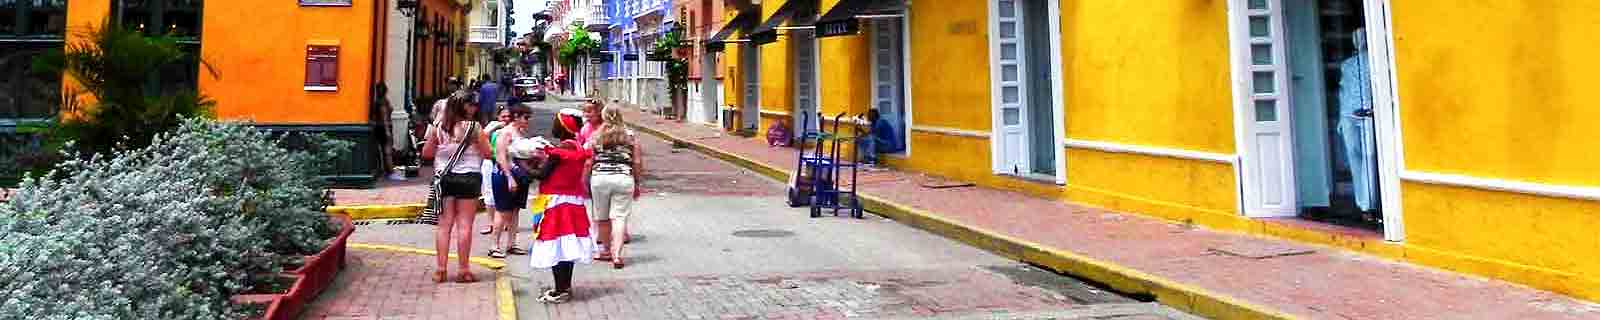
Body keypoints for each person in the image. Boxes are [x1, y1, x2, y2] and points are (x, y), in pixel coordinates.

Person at [420, 92, 492, 283]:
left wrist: (443, 148)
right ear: (464, 107)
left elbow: (426, 153)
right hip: (469, 177)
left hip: (444, 178)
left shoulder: (440, 128)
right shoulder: (474, 128)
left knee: (444, 226)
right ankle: (463, 270)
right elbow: (487, 154)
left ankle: (441, 269)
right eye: (472, 105)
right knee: (465, 225)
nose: (475, 108)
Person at [529, 108, 597, 304]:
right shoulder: (575, 146)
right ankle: (564, 287)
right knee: (567, 246)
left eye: (556, 123)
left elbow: (542, 175)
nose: (553, 126)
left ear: (563, 126)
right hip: (572, 202)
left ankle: (560, 289)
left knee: (557, 245)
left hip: (556, 202)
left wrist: (521, 166)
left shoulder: (560, 151)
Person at [586, 105, 643, 269]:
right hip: (624, 178)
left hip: (600, 179)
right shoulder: (630, 136)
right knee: (619, 217)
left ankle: (606, 251)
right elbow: (637, 162)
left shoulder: (596, 136)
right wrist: (637, 181)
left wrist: (585, 181)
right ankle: (617, 255)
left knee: (602, 218)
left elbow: (589, 160)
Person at [487, 104, 536, 258]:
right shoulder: (505, 133)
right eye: (525, 118)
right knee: (502, 211)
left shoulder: (519, 133)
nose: (528, 121)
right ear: (516, 117)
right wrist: (509, 178)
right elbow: (501, 156)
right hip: (504, 175)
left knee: (515, 210)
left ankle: (512, 243)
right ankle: (494, 245)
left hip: (518, 176)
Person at [478, 107, 514, 235]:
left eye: (509, 116)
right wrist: (495, 127)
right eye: (503, 116)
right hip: (490, 162)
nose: (506, 119)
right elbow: (481, 137)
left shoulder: (513, 130)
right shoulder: (492, 128)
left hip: (507, 163)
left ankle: (505, 222)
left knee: (506, 194)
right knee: (489, 193)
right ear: (498, 117)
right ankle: (491, 223)